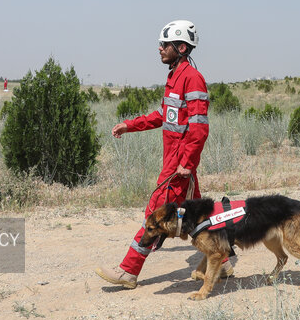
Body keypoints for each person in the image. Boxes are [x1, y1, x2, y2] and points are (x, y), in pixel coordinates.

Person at [95, 20, 233, 289]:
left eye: (164, 44)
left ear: (181, 47)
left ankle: (128, 271)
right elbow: (164, 115)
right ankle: (224, 262)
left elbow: (199, 127)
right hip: (177, 163)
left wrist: (186, 163)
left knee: (155, 215)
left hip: (179, 167)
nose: (159, 48)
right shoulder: (175, 76)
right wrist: (130, 125)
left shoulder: (192, 78)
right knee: (201, 215)